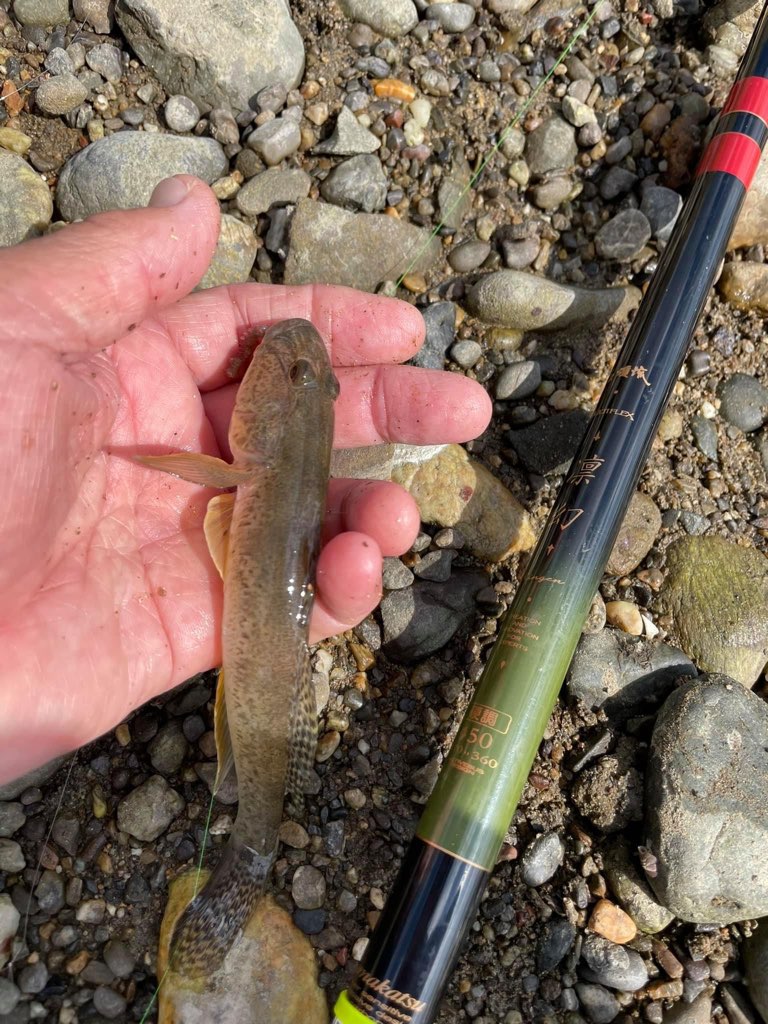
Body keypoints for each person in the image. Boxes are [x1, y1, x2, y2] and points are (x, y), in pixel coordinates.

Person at [0, 174, 492, 786]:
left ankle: (258, 800)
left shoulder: (248, 465)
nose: (293, 365)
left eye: (305, 381)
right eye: (304, 378)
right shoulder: (259, 462)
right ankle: (258, 795)